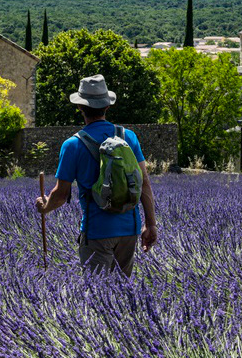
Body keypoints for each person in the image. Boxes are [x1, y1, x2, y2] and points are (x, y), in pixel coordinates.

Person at [35, 74, 158, 276]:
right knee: (122, 296)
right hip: (130, 229)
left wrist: (45, 207)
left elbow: (61, 195)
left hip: (97, 231)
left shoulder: (72, 145)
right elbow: (144, 184)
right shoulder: (129, 137)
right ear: (107, 106)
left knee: (98, 298)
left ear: (80, 108)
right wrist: (151, 224)